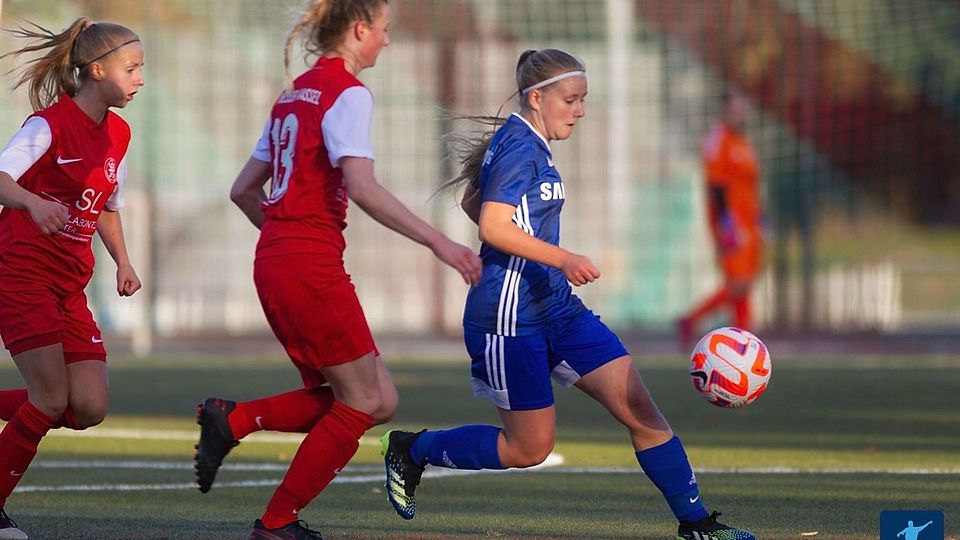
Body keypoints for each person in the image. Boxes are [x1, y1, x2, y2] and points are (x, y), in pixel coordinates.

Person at [379, 49, 757, 540]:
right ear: (537, 98)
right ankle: (412, 449)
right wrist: (562, 258)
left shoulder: (526, 141)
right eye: (571, 100)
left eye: (583, 100)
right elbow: (492, 225)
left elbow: (477, 201)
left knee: (640, 410)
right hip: (509, 317)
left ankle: (697, 524)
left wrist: (542, 261)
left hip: (557, 306)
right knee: (528, 449)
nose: (579, 111)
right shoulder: (520, 148)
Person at [194, 1, 482, 539]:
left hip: (278, 259)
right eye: (385, 30)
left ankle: (231, 421)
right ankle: (277, 523)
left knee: (378, 399)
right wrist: (440, 242)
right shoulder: (347, 93)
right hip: (306, 264)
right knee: (365, 401)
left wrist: (285, 243)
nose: (387, 42)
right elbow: (363, 186)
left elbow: (242, 190)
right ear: (359, 30)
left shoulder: (291, 95)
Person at [0, 17, 144, 540]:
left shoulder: (119, 134)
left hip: (68, 285)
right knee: (47, 398)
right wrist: (33, 202)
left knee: (87, 405)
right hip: (22, 274)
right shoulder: (48, 125)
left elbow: (105, 206)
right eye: (131, 68)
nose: (139, 79)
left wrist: (123, 261)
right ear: (96, 69)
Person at [677, 91, 764, 350]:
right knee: (738, 283)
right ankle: (690, 320)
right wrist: (726, 222)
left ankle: (744, 341)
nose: (741, 115)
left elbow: (751, 186)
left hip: (750, 221)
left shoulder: (744, 142)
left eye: (744, 110)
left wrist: (761, 219)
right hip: (732, 221)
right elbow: (716, 184)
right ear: (724, 111)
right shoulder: (719, 139)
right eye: (736, 110)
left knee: (745, 284)